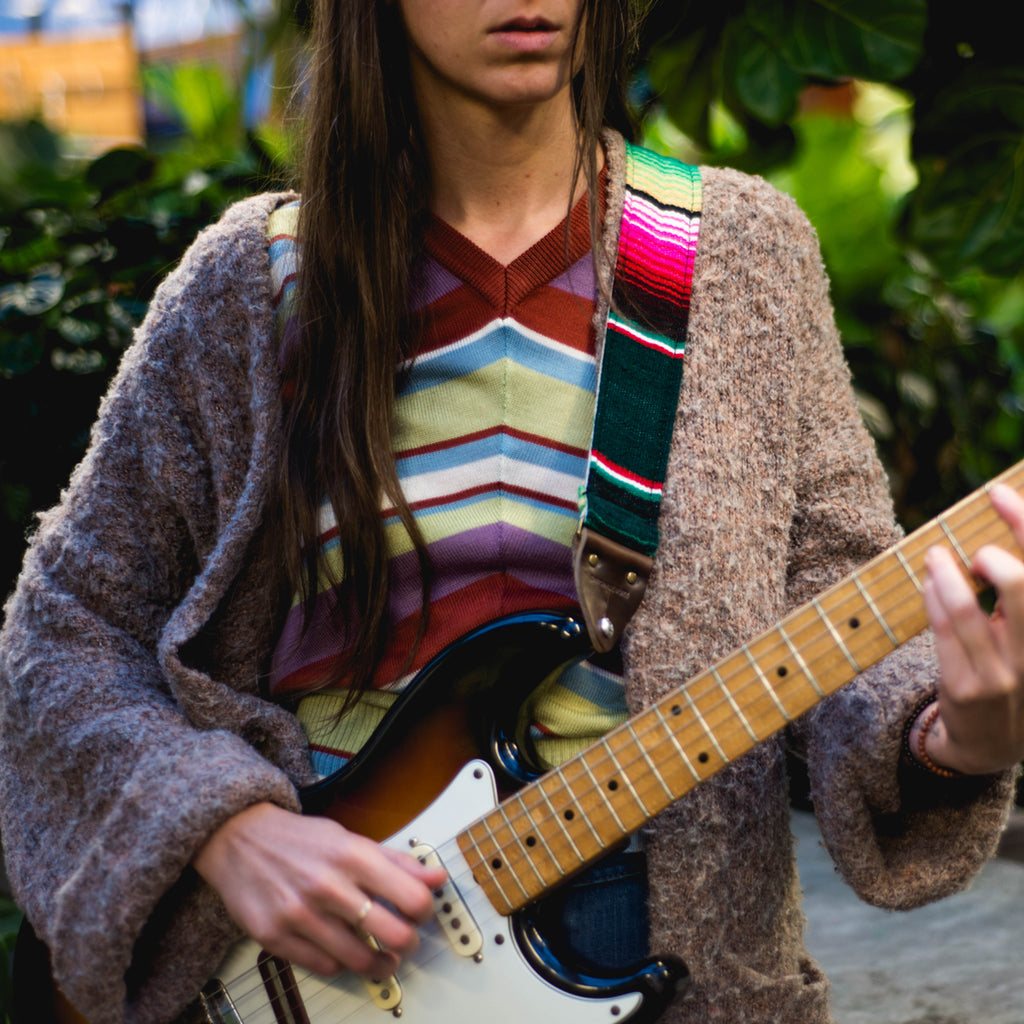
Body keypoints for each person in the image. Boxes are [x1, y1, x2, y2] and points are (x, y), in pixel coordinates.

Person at [1, 2, 1022, 1023]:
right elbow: (63, 633)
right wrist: (222, 827)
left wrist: (949, 728)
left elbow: (837, 590)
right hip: (316, 965)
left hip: (682, 963)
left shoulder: (741, 255)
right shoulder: (253, 285)